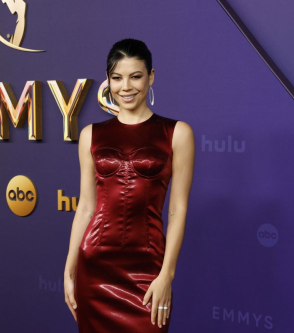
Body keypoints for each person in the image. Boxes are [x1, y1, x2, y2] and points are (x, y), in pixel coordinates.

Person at [64, 38, 195, 332]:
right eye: (117, 78)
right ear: (108, 81)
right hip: (94, 268)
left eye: (136, 76)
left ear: (151, 76)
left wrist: (166, 276)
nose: (126, 87)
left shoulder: (177, 133)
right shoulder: (90, 135)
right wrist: (69, 267)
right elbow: (86, 206)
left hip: (148, 270)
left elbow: (177, 209)